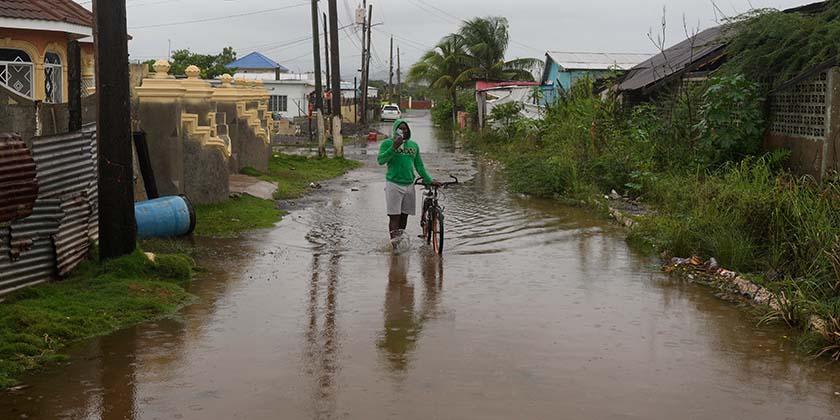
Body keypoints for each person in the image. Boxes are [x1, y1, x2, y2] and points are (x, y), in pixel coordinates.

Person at [377, 119, 437, 245]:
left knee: (404, 216)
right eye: (400, 128)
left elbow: (419, 166)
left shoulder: (413, 145)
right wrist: (394, 147)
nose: (403, 131)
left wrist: (430, 180)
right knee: (394, 217)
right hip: (393, 184)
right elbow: (381, 160)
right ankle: (395, 247)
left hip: (409, 184)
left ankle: (400, 240)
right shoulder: (387, 143)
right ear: (395, 130)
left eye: (405, 128)